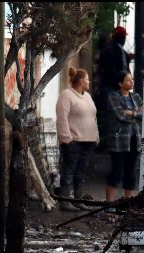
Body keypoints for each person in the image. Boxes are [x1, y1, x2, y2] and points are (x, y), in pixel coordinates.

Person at [55, 67, 99, 212]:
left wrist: (96, 135)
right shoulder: (66, 95)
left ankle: (78, 201)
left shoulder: (87, 96)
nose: (89, 81)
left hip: (88, 141)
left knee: (81, 171)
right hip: (74, 141)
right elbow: (62, 118)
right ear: (80, 81)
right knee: (68, 171)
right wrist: (67, 139)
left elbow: (93, 117)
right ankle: (65, 201)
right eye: (87, 79)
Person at [106, 71, 143, 203]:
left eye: (132, 79)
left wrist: (131, 113)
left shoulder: (137, 97)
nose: (131, 82)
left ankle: (128, 202)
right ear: (120, 83)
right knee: (116, 171)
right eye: (128, 80)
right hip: (119, 140)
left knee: (131, 172)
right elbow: (120, 115)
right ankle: (109, 202)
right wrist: (136, 114)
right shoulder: (113, 96)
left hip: (135, 139)